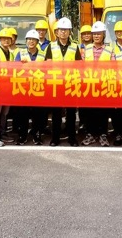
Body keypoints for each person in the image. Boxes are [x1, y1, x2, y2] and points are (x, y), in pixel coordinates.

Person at [44, 17, 82, 147]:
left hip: (70, 83)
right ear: (57, 32)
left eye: (66, 30)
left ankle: (72, 138)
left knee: (71, 113)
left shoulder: (75, 47)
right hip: (56, 84)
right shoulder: (51, 46)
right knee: (56, 113)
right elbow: (48, 65)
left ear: (70, 32)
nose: (63, 32)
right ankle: (55, 138)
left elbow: (79, 66)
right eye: (61, 30)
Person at [81, 21, 112, 147]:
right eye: (94, 34)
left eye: (99, 34)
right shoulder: (86, 49)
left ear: (103, 34)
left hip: (103, 85)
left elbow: (114, 68)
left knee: (103, 112)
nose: (96, 36)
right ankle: (90, 134)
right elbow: (81, 66)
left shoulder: (109, 50)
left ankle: (103, 134)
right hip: (90, 85)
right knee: (90, 112)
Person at [15, 29, 47, 145]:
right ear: (26, 41)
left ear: (37, 41)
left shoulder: (43, 54)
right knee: (22, 114)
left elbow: (47, 70)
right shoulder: (20, 53)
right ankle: (22, 135)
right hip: (24, 88)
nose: (31, 41)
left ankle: (36, 135)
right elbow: (15, 69)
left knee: (38, 114)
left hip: (38, 88)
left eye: (34, 40)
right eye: (29, 39)